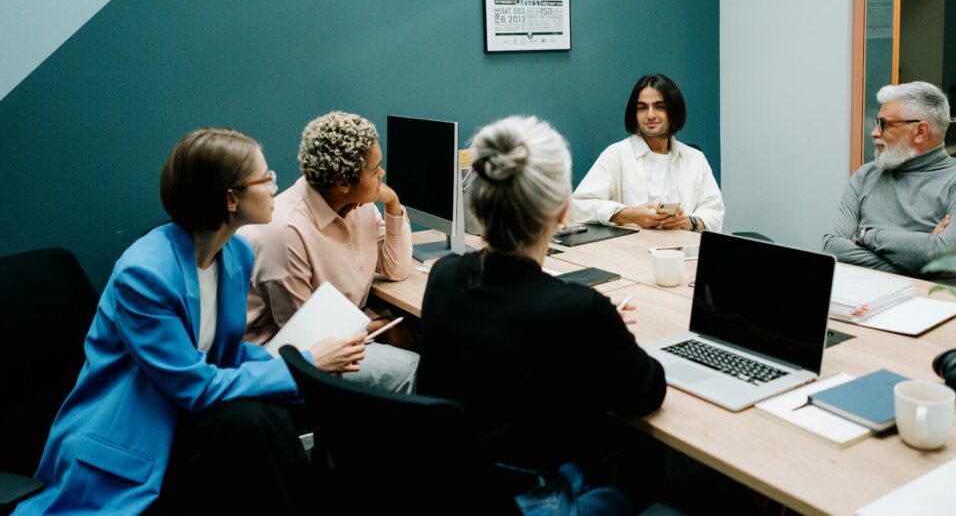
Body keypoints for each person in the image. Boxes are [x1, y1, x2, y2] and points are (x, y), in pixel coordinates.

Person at [17, 128, 366, 515]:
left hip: (188, 419)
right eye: (266, 179)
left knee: (262, 419)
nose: (273, 188)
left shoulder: (234, 253)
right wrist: (305, 365)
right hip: (135, 434)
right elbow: (194, 385)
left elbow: (226, 354)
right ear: (231, 198)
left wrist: (303, 364)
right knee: (254, 424)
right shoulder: (144, 274)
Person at [418, 115, 667, 514]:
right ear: (562, 211)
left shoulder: (445, 275)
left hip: (457, 488)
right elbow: (646, 393)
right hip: (539, 498)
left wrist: (594, 328)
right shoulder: (580, 309)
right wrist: (607, 332)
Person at [241, 111, 418, 393]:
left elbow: (395, 269)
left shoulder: (360, 207)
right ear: (343, 183)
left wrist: (393, 203)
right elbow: (306, 336)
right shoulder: (285, 231)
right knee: (413, 368)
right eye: (375, 170)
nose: (382, 174)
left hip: (345, 330)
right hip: (289, 358)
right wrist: (379, 327)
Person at [823, 81, 956, 285]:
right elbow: (832, 247)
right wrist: (922, 255)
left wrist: (864, 235)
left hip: (938, 305)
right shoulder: (865, 175)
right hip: (862, 299)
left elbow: (943, 256)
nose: (875, 133)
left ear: (921, 131)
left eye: (884, 124)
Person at [571, 73, 724, 232]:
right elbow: (580, 205)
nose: (650, 115)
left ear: (674, 111)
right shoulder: (617, 154)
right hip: (630, 252)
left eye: (660, 106)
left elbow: (714, 211)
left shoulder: (695, 158)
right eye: (642, 107)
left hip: (685, 252)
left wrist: (687, 222)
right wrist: (630, 215)